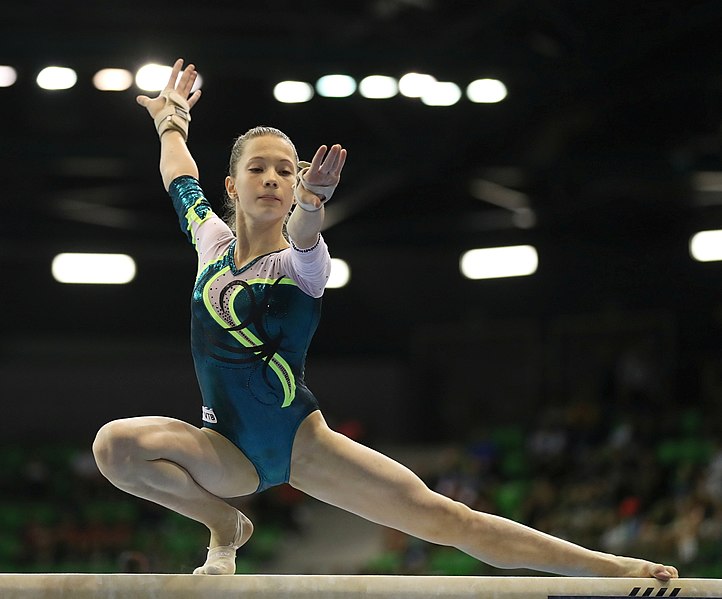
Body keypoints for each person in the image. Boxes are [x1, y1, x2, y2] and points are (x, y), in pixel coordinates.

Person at [92, 58, 678, 580]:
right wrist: (171, 123)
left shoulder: (303, 263)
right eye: (259, 169)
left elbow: (303, 232)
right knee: (116, 446)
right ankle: (226, 525)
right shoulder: (210, 242)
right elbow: (180, 180)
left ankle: (609, 568)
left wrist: (314, 204)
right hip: (224, 452)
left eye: (286, 171)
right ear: (233, 184)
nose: (273, 179)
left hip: (302, 440)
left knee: (447, 519)